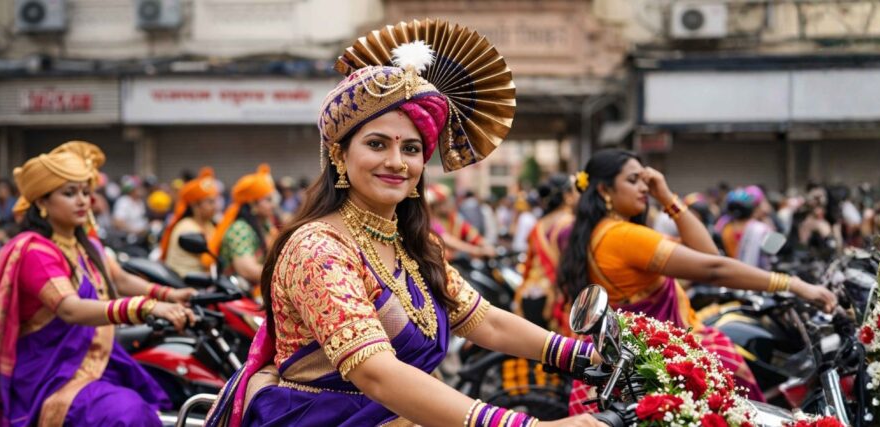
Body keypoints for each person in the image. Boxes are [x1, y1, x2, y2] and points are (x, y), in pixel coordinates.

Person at [205, 35, 603, 427]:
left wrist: (579, 354)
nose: (396, 162)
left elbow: (485, 321)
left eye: (411, 149)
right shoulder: (318, 249)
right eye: (377, 144)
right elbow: (376, 373)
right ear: (340, 155)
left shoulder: (415, 242)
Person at [558, 149, 837, 413]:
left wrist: (666, 197)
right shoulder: (623, 236)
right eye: (633, 181)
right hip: (660, 357)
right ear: (604, 189)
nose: (645, 188)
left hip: (634, 356)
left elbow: (706, 252)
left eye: (645, 181)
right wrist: (795, 285)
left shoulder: (602, 232)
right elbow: (713, 266)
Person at [0, 147, 196, 427]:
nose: (82, 201)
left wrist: (171, 294)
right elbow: (70, 309)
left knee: (164, 397)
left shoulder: (85, 245)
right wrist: (145, 307)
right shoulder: (36, 252)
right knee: (128, 414)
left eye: (85, 192)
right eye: (69, 193)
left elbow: (120, 279)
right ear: (42, 201)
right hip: (50, 375)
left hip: (94, 362)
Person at [514, 175, 577, 334]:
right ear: (567, 196)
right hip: (554, 299)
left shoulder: (538, 225)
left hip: (529, 294)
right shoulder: (570, 224)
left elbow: (528, 263)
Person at [207, 164, 278, 287]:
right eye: (268, 200)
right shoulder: (240, 229)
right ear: (252, 204)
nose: (273, 205)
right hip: (239, 295)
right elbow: (248, 270)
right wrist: (286, 275)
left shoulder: (265, 224)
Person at [160, 167, 221, 277]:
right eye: (210, 202)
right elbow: (207, 260)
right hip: (184, 283)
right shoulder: (186, 227)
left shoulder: (209, 224)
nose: (215, 206)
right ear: (195, 205)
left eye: (215, 201)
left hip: (204, 279)